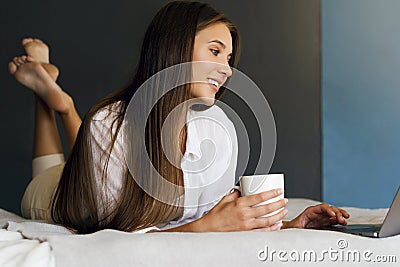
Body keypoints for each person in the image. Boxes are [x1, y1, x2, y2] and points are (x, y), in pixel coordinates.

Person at [9, 1, 349, 234]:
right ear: (175, 47)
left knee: (96, 138)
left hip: (101, 156)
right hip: (60, 197)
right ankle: (51, 100)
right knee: (58, 168)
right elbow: (108, 234)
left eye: (229, 59)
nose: (227, 70)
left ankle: (57, 98)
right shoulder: (106, 124)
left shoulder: (218, 128)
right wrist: (205, 229)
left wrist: (289, 225)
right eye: (215, 51)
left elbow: (217, 214)